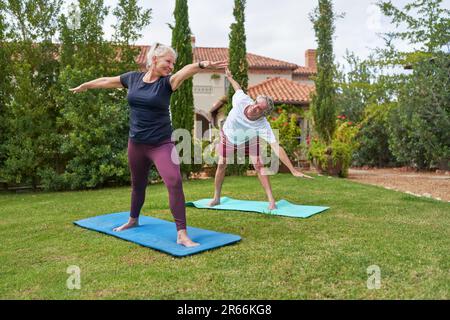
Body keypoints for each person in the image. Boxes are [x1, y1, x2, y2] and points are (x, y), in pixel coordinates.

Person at [70, 42, 227, 247]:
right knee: (138, 185)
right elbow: (107, 80)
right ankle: (133, 219)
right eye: (168, 61)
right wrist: (87, 85)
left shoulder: (167, 83)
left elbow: (186, 71)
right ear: (154, 59)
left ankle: (181, 233)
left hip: (161, 144)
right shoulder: (132, 78)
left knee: (174, 181)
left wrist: (204, 64)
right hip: (136, 144)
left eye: (173, 63)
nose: (171, 66)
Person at [209, 68, 313, 210]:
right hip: (229, 136)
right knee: (221, 164)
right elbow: (237, 88)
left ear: (264, 114)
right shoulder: (241, 100)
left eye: (259, 109)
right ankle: (216, 197)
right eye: (256, 103)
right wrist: (230, 77)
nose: (254, 108)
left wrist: (292, 169)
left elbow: (276, 146)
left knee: (259, 166)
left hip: (249, 139)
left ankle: (271, 201)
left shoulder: (263, 124)